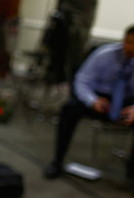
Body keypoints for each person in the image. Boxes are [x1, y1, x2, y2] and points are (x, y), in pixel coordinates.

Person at [44, 25, 134, 180]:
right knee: (69, 108)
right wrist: (92, 101)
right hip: (100, 97)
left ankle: (132, 174)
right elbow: (82, 80)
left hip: (127, 102)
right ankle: (57, 161)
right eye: (129, 42)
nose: (131, 47)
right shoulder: (104, 54)